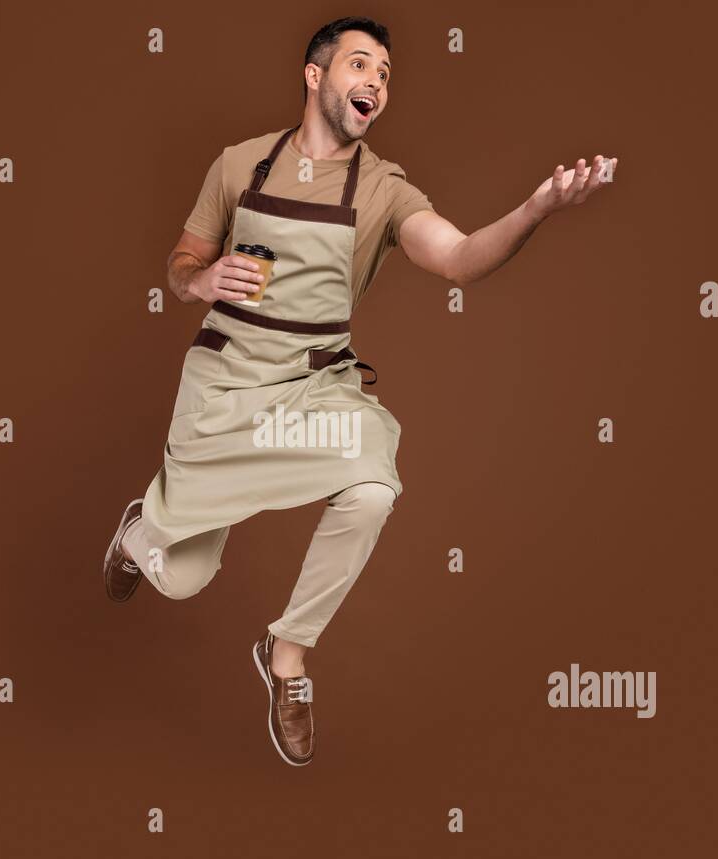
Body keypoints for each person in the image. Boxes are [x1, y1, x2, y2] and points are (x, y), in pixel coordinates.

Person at [104, 16, 617, 766]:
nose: (375, 80)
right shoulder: (239, 165)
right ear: (315, 76)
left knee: (372, 485)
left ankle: (287, 655)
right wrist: (200, 280)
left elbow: (460, 259)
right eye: (360, 65)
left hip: (309, 395)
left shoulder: (383, 189)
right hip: (223, 390)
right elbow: (181, 262)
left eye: (384, 73)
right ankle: (139, 534)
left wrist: (535, 209)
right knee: (181, 580)